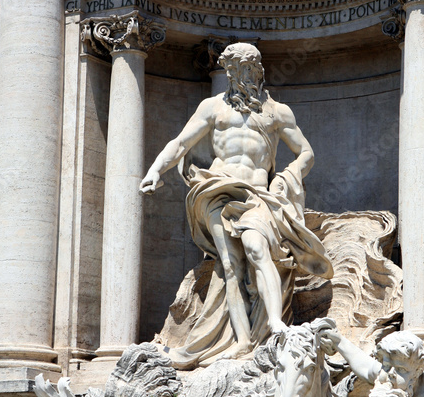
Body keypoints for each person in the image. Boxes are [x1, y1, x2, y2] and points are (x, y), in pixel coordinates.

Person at [140, 42, 332, 368]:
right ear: (227, 71)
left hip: (257, 193)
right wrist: (156, 169)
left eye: (246, 69)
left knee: (256, 249)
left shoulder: (276, 111)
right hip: (218, 189)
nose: (239, 76)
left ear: (258, 71)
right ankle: (243, 341)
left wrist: (287, 176)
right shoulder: (213, 108)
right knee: (230, 266)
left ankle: (274, 325)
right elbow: (181, 143)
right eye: (233, 70)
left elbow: (306, 153)